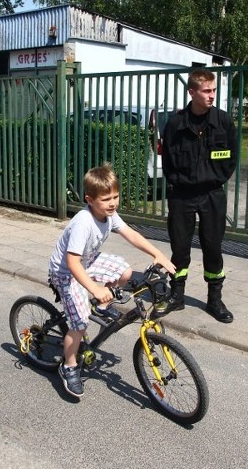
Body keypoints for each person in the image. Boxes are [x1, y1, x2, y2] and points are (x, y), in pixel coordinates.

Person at [48, 164, 175, 398]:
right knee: (79, 323)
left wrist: (157, 254)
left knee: (126, 273)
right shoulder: (83, 223)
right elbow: (73, 263)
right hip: (66, 271)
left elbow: (131, 234)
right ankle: (69, 366)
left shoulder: (109, 214)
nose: (113, 203)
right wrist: (95, 288)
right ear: (89, 199)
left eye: (115, 196)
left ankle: (104, 307)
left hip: (88, 260)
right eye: (106, 199)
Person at [157, 68, 238, 323]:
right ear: (192, 92)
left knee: (213, 247)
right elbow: (167, 160)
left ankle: (215, 300)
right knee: (179, 247)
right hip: (182, 195)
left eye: (213, 90)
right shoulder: (175, 123)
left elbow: (232, 158)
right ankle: (177, 295)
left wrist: (213, 180)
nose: (211, 95)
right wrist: (181, 183)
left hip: (212, 195)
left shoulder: (223, 122)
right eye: (206, 91)